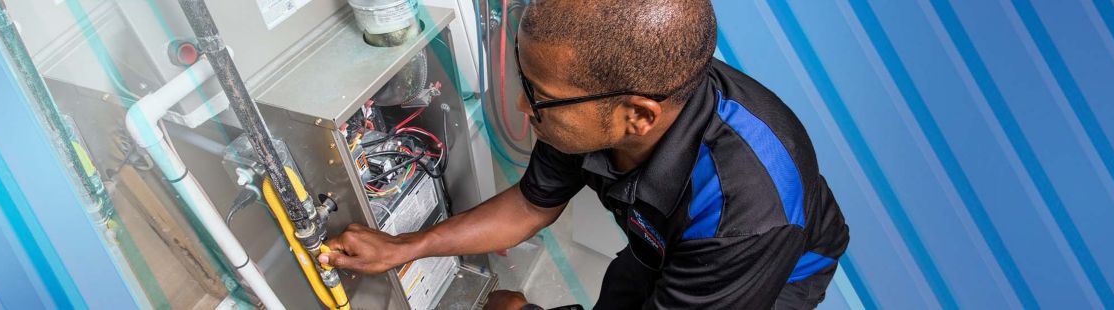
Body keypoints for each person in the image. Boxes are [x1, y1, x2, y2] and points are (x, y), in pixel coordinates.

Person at [318, 0, 849, 308]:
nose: (525, 104)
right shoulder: (586, 106)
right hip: (665, 242)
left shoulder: (747, 215)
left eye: (539, 97)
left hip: (774, 271)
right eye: (528, 81)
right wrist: (405, 247)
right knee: (626, 287)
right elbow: (532, 204)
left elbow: (732, 239)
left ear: (637, 116)